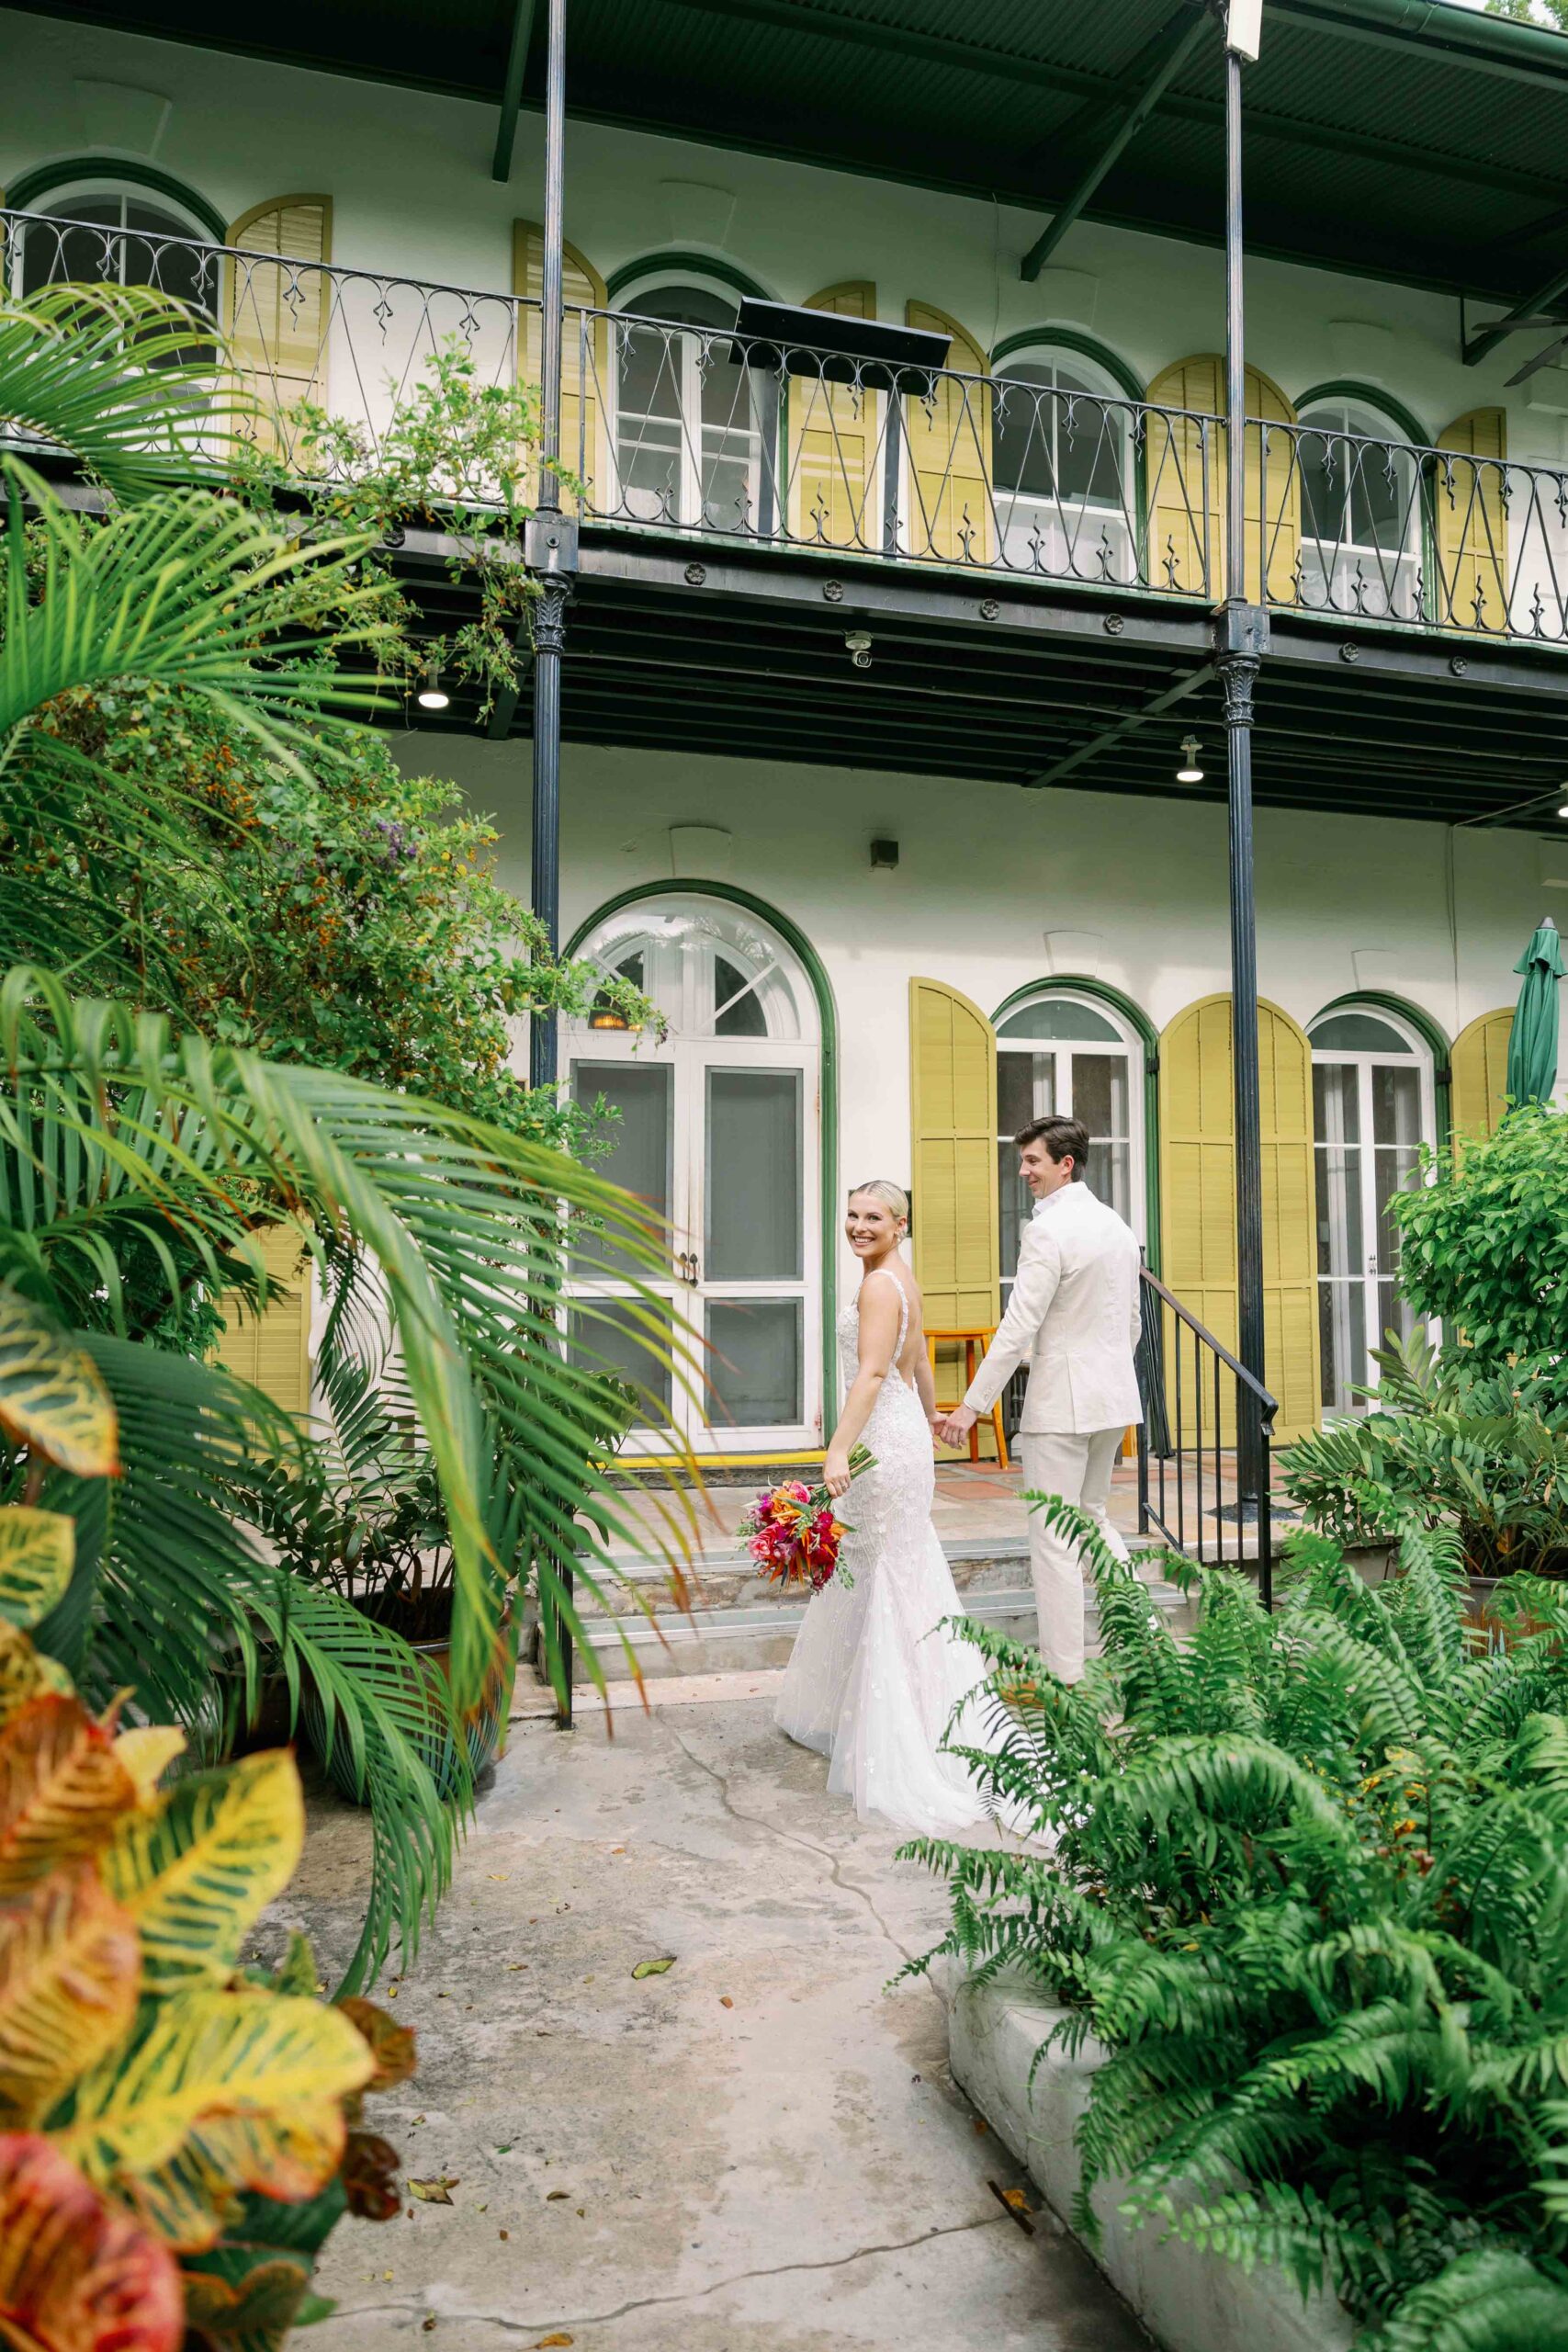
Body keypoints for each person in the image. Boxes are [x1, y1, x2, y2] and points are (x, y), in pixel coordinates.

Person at [774, 1180, 1003, 1835]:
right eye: (850, 1215)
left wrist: (836, 1451)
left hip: (880, 1435)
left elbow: (873, 1374)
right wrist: (930, 1412)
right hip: (904, 1433)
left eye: (872, 1217)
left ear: (900, 1223)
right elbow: (917, 1358)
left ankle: (903, 1732)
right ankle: (908, 1714)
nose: (857, 1226)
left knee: (884, 1575)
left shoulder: (878, 1284)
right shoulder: (900, 1276)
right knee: (892, 1571)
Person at [935, 1114, 1141, 1685]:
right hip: (1113, 1396)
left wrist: (972, 1405)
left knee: (1053, 1541)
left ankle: (1065, 1676)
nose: (1022, 1170)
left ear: (1065, 1163)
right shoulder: (1116, 1226)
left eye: (1033, 1161)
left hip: (1064, 1403)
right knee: (1093, 1518)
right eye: (1022, 1159)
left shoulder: (1048, 1231)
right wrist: (1109, 1372)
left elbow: (1018, 1326)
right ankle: (1144, 1641)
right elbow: (1132, 1322)